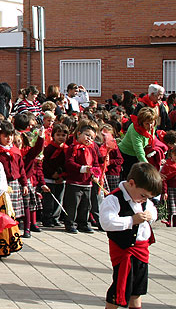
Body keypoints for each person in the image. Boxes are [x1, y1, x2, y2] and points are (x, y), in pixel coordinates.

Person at [100, 162, 161, 309]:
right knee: (119, 289)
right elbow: (106, 222)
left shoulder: (143, 200)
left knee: (137, 290)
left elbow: (153, 211)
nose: (145, 199)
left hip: (142, 250)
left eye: (148, 197)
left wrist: (150, 215)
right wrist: (131, 220)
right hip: (124, 251)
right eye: (143, 195)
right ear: (131, 183)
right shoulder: (114, 199)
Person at [63, 123, 100, 234]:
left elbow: (96, 164)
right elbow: (69, 163)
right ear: (79, 134)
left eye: (92, 138)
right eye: (87, 135)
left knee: (86, 205)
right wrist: (83, 168)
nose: (89, 139)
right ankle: (70, 223)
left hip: (87, 182)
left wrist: (95, 174)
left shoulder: (92, 150)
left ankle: (83, 223)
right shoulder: (73, 148)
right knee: (72, 205)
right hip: (74, 182)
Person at [0, 121, 28, 230]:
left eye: (11, 135)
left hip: (13, 184)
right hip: (0, 184)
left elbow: (21, 169)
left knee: (13, 211)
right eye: (5, 136)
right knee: (2, 210)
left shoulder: (15, 151)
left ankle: (12, 231)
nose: (9, 138)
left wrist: (24, 184)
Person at [118, 107, 158, 181]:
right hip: (126, 154)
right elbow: (139, 152)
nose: (150, 126)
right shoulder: (135, 130)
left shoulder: (152, 127)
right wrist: (150, 168)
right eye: (147, 123)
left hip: (137, 154)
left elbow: (153, 138)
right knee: (130, 178)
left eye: (152, 123)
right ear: (141, 122)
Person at [41, 123, 69, 227]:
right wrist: (53, 174)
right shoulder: (49, 148)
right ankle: (47, 218)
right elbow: (46, 164)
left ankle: (55, 218)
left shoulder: (67, 149)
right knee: (49, 200)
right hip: (50, 178)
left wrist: (62, 176)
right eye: (58, 135)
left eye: (63, 135)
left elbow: (67, 164)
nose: (61, 137)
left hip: (61, 179)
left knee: (59, 199)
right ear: (53, 136)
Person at [161, 147, 176, 227]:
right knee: (171, 208)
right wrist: (165, 191)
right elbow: (164, 179)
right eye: (175, 155)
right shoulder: (168, 165)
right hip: (171, 189)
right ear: (171, 155)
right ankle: (170, 222)